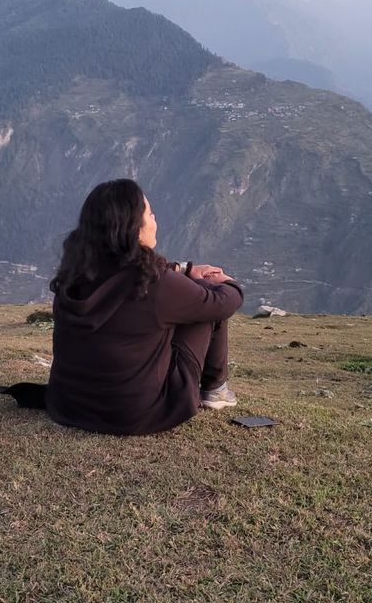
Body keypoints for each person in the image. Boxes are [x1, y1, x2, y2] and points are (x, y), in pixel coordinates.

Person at [45, 179, 244, 435]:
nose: (154, 218)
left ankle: (215, 390)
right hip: (134, 414)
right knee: (205, 301)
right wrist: (226, 283)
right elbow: (222, 304)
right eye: (149, 213)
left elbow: (121, 274)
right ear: (134, 228)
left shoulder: (74, 274)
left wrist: (185, 269)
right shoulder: (154, 284)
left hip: (69, 405)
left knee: (189, 301)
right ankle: (215, 391)